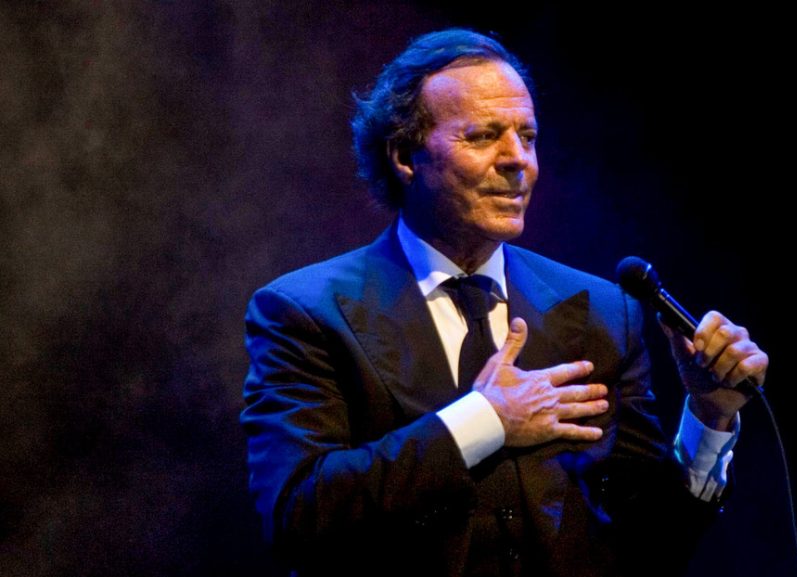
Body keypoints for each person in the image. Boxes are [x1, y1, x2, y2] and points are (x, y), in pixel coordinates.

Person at [241, 28, 768, 577]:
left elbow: (650, 545)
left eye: (528, 136)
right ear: (404, 156)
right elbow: (297, 515)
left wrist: (708, 416)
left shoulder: (605, 313)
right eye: (484, 136)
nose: (519, 161)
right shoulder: (305, 312)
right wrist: (485, 420)